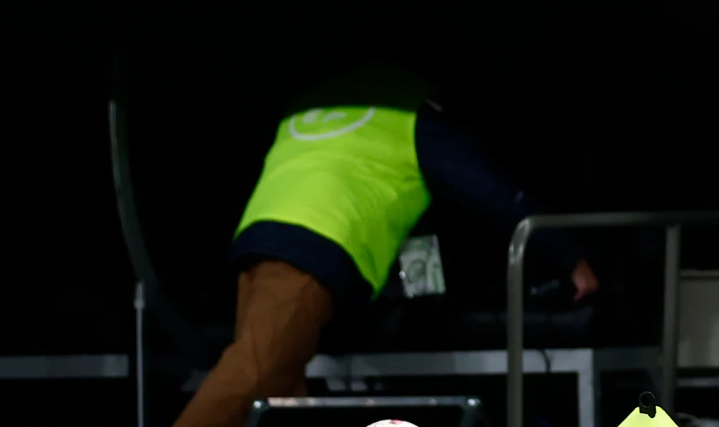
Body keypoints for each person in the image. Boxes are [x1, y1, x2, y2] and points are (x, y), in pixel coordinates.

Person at [174, 68, 599, 427]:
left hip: (257, 244)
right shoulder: (410, 115)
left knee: (283, 392)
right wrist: (570, 258)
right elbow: (494, 194)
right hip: (316, 249)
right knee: (253, 375)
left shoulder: (314, 102)